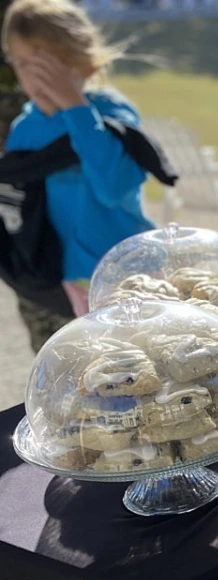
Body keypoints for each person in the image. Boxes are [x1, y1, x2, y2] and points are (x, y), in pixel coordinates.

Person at [2, 0, 155, 349]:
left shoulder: (111, 113)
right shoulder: (26, 128)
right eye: (24, 64)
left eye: (50, 66)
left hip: (127, 274)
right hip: (64, 283)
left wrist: (75, 108)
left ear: (86, 63)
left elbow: (114, 189)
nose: (36, 78)